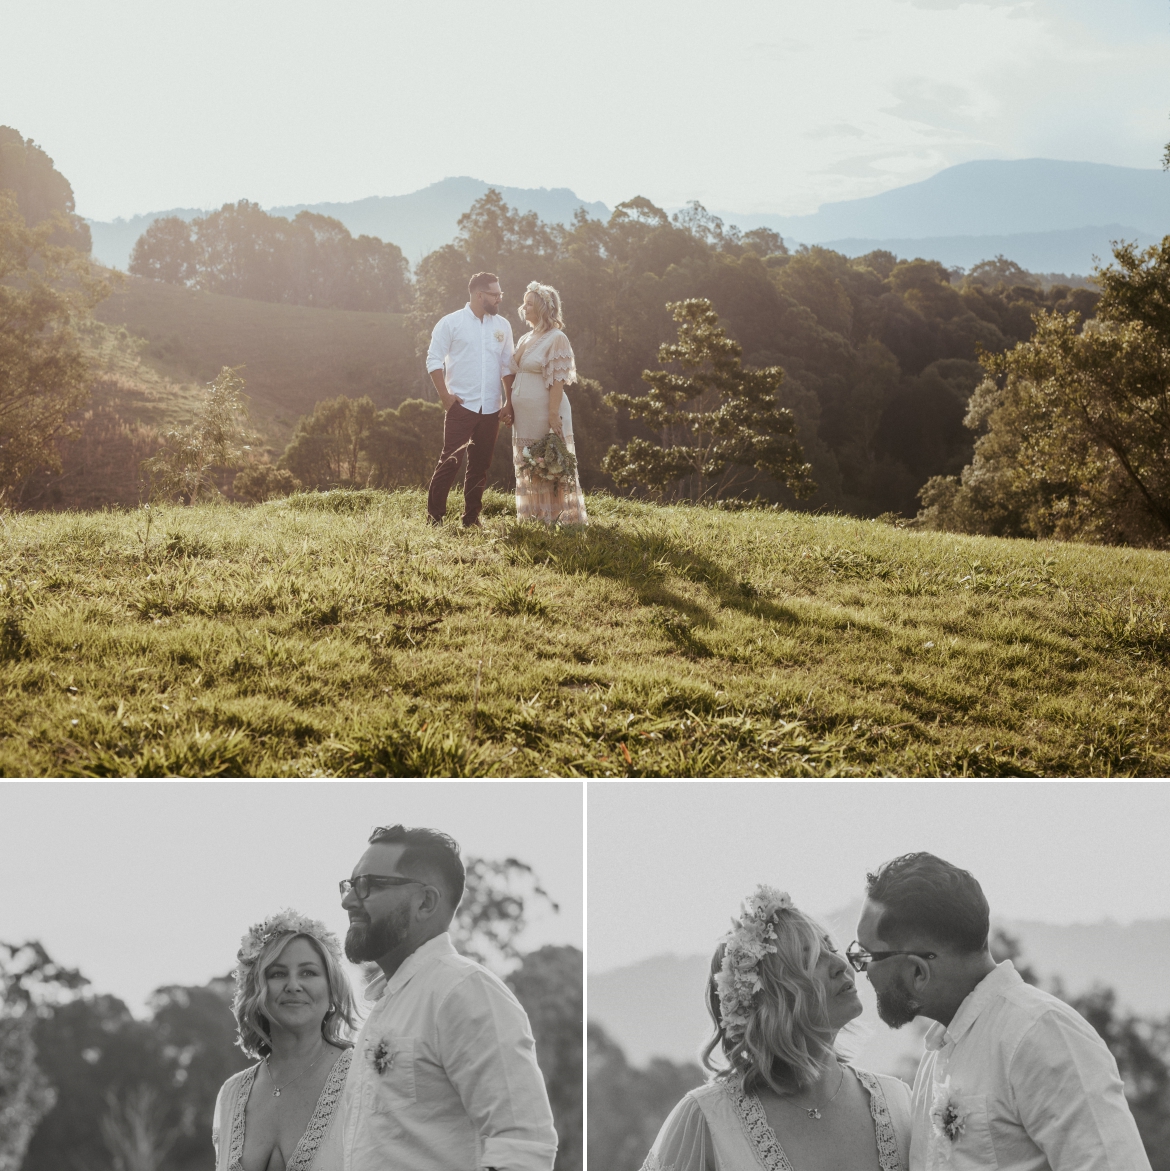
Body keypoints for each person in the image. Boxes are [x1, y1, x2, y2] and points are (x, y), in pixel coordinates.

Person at [854, 852, 1152, 1171]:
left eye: (867, 955)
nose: (862, 970)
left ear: (917, 972)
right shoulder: (937, 1054)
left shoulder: (1041, 1034)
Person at [642, 886, 911, 1171]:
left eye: (830, 948)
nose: (839, 965)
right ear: (769, 997)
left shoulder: (897, 1102)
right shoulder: (707, 1119)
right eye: (810, 958)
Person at [339, 823, 557, 1171]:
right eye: (350, 886)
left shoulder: (464, 991)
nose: (348, 900)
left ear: (425, 902)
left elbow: (523, 1143)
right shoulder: (386, 1004)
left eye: (368, 886)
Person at [213, 910, 358, 1171]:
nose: (293, 985)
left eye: (308, 973)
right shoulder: (231, 1095)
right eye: (278, 974)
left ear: (331, 988)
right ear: (257, 989)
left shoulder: (362, 1078)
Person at [425, 272, 515, 527]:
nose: (499, 299)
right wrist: (445, 396)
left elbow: (507, 366)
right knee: (450, 461)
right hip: (461, 407)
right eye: (495, 294)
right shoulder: (451, 323)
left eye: (500, 294)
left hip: (491, 408)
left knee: (480, 466)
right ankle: (434, 519)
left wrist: (508, 402)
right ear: (480, 295)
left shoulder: (503, 326)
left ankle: (471, 518)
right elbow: (434, 359)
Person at [505, 281, 588, 525]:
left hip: (545, 412)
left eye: (529, 303)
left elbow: (557, 381)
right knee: (528, 462)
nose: (524, 307)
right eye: (524, 302)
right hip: (525, 418)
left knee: (548, 462)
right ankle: (533, 516)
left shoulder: (556, 338)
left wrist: (553, 415)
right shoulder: (525, 337)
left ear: (542, 308)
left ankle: (558, 518)